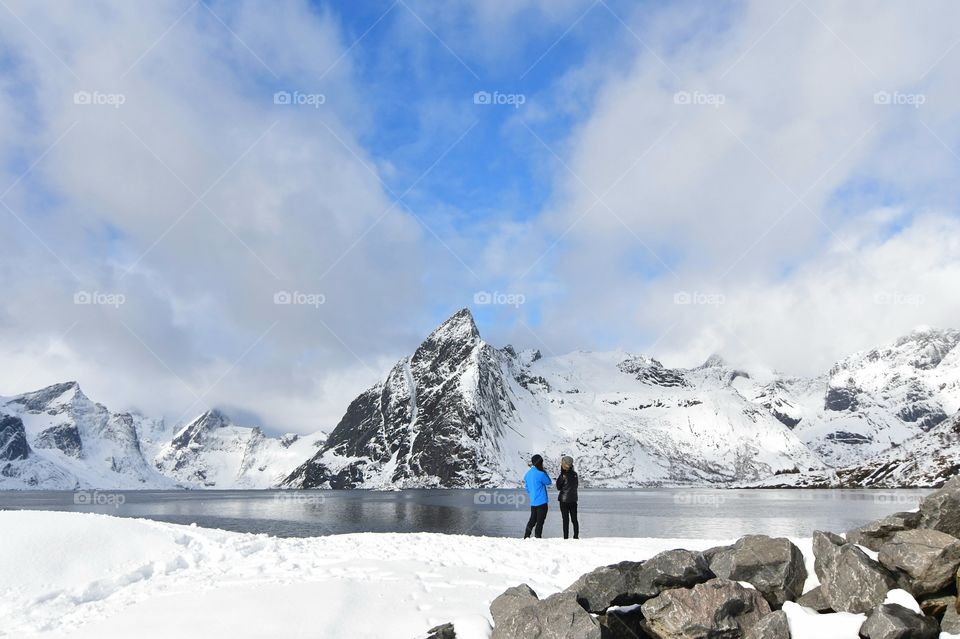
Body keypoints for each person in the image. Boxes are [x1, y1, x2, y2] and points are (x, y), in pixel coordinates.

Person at [523, 454, 552, 538]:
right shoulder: (541, 473)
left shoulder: (527, 474)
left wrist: (533, 494)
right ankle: (537, 538)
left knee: (532, 521)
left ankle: (526, 537)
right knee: (540, 522)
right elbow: (548, 482)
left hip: (533, 502)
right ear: (540, 463)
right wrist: (544, 472)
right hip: (542, 502)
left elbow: (527, 488)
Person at [555, 455, 579, 539]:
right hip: (573, 500)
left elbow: (558, 487)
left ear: (565, 464)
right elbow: (575, 486)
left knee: (565, 520)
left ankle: (566, 537)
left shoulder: (563, 475)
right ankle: (576, 536)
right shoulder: (575, 475)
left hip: (564, 501)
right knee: (574, 519)